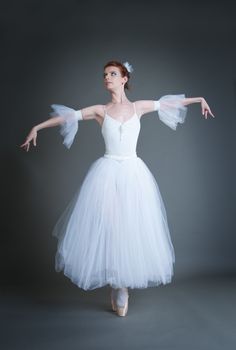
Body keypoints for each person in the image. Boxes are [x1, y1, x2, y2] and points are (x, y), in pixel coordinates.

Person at [20, 60, 215, 317]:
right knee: (111, 226)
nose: (107, 78)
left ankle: (122, 285)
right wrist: (37, 127)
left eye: (112, 74)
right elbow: (69, 116)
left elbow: (169, 104)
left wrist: (199, 98)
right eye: (104, 75)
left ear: (124, 79)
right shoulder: (100, 110)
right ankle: (116, 283)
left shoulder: (138, 107)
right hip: (106, 174)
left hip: (134, 174)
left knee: (131, 226)